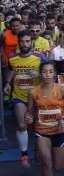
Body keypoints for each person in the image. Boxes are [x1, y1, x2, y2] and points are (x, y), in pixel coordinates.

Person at [6, 30, 46, 167]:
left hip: (37, 98)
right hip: (19, 97)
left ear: (32, 42)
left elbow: (50, 76)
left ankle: (37, 146)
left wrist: (40, 75)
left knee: (36, 126)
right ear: (18, 42)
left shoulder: (40, 58)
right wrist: (7, 83)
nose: (25, 44)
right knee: (22, 124)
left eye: (27, 41)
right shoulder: (12, 58)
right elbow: (11, 70)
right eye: (22, 41)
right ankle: (24, 154)